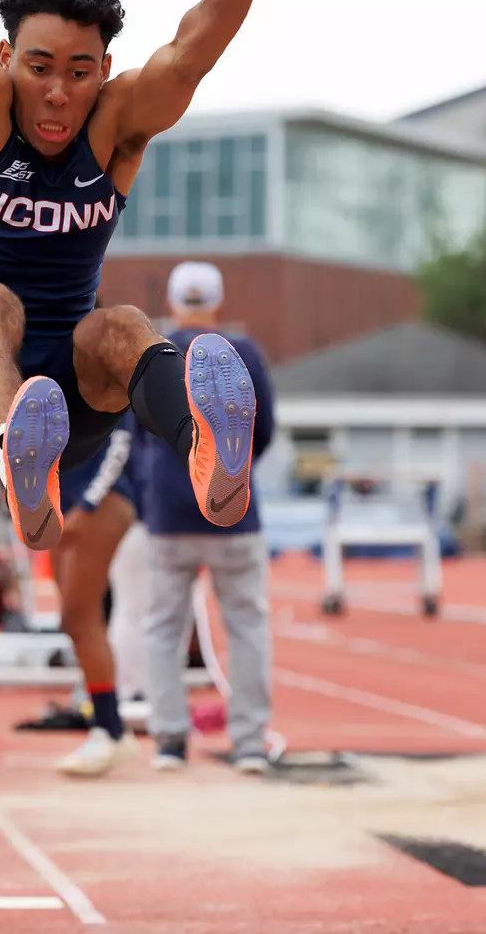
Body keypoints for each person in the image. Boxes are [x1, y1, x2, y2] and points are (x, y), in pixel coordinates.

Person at [0, 0, 291, 554]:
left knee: (121, 324)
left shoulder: (113, 127)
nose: (59, 91)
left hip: (69, 403)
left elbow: (185, 58)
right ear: (8, 61)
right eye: (40, 67)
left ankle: (204, 448)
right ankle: (14, 451)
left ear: (105, 70)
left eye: (80, 72)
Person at [135, 262, 277, 774]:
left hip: (168, 512)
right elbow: (263, 434)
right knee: (247, 626)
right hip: (235, 516)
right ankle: (250, 743)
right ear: (217, 302)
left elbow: (133, 435)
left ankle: (170, 740)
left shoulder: (151, 357)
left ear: (173, 304)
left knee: (161, 629)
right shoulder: (248, 354)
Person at [52, 410, 142, 776]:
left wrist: (87, 504)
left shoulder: (93, 363)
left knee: (80, 616)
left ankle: (110, 729)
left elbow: (121, 443)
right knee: (76, 623)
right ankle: (105, 724)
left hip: (100, 502)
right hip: (64, 503)